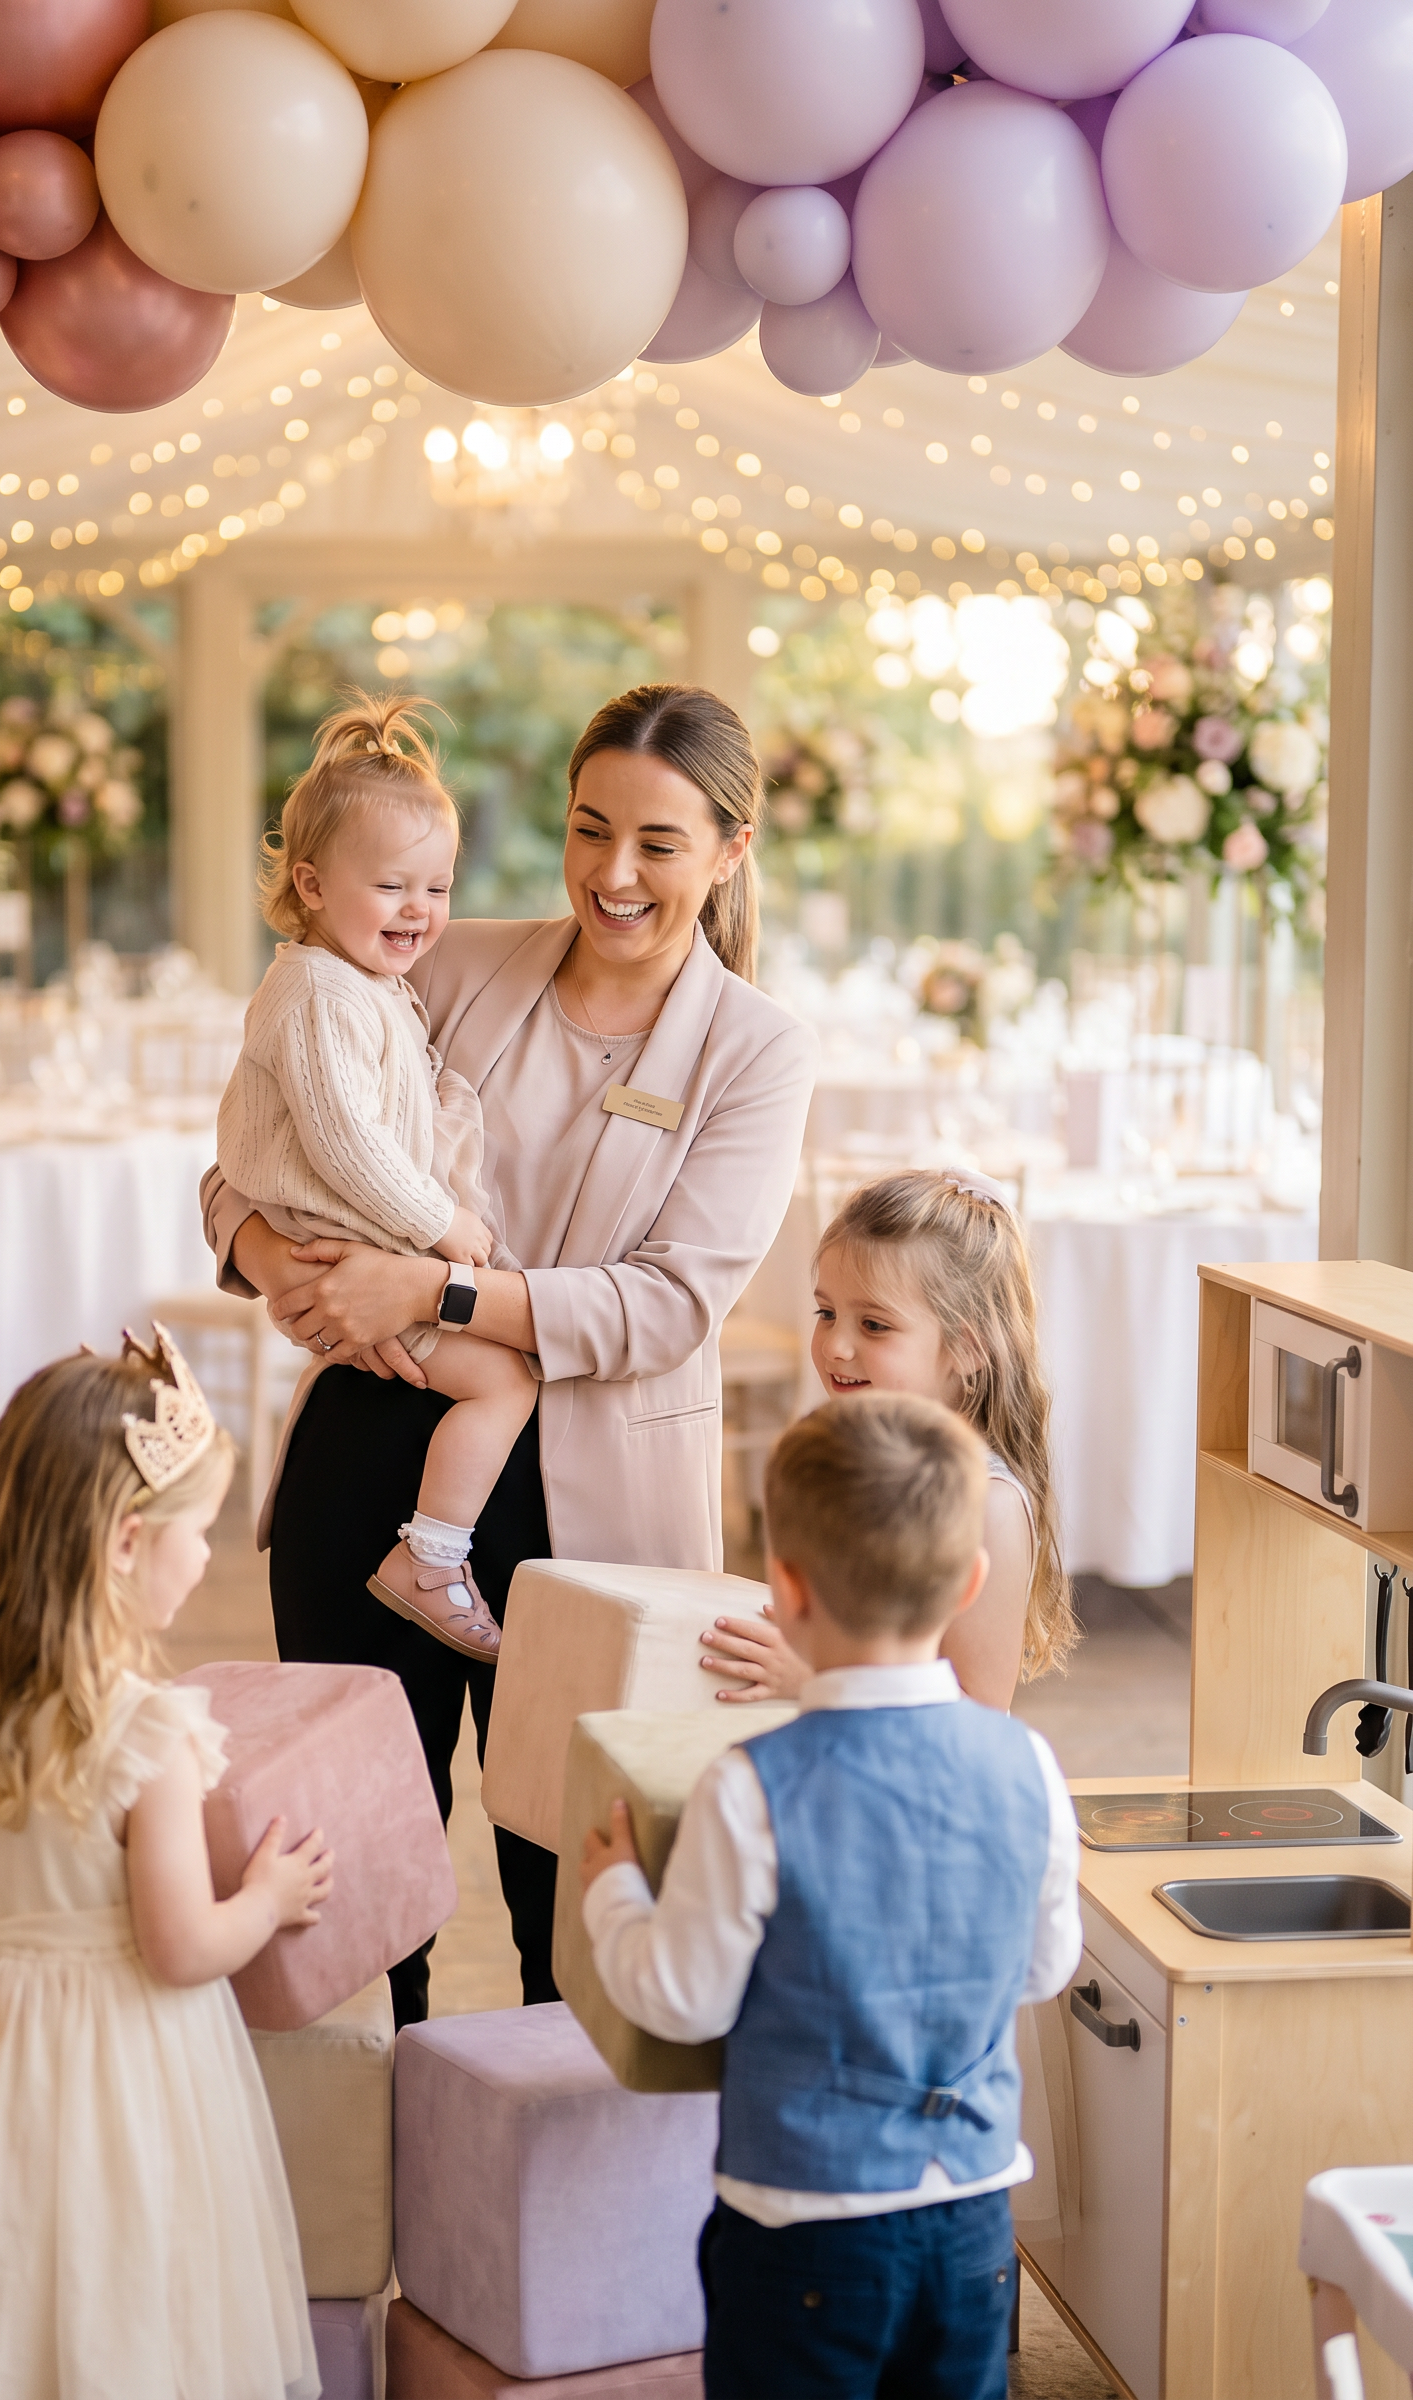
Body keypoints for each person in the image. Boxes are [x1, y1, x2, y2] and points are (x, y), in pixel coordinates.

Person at [202, 683, 816, 2024]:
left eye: (658, 842)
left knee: (578, 1903)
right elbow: (253, 1153)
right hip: (368, 1452)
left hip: (593, 1515)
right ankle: (362, 2207)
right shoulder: (445, 957)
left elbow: (667, 1307)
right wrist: (279, 1269)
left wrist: (434, 1287)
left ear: (730, 851)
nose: (614, 873)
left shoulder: (756, 1052)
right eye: (590, 829)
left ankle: (564, 2224)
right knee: (355, 1886)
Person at [0, 1329, 333, 2400]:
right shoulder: (148, 1732)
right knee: (105, 2278)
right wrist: (269, 1898)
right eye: (200, 1534)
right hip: (107, 2063)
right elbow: (183, 1946)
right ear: (129, 1542)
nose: (209, 1558)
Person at [580, 1394, 1081, 2400]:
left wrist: (613, 1894)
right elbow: (1043, 1968)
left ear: (786, 1590)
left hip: (804, 2218)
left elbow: (682, 1999)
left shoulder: (752, 1785)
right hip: (974, 2216)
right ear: (971, 1581)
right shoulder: (1028, 1765)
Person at [216, 693, 536, 1660]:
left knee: (500, 1382)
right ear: (311, 885)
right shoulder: (317, 990)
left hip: (372, 1256)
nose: (420, 912)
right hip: (365, 1253)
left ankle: (435, 1548)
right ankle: (432, 1557)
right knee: (505, 1382)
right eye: (393, 887)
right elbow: (350, 1140)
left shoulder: (372, 986)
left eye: (436, 889)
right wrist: (443, 1225)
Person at [700, 1166, 1074, 1714]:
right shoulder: (841, 1453)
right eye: (826, 1313)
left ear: (967, 1349)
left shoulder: (986, 1505)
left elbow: (980, 1707)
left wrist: (809, 1679)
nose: (835, 1347)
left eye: (874, 1325)